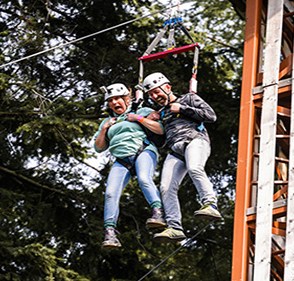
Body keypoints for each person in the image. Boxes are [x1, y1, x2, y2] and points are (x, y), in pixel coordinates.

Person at [142, 72, 222, 243]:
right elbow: (160, 141)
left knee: (195, 168)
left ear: (167, 87)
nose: (156, 97)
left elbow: (211, 116)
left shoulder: (188, 98)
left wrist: (183, 109)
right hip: (175, 149)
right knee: (166, 186)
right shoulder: (162, 113)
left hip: (195, 140)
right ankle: (174, 227)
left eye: (157, 92)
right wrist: (149, 122)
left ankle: (211, 204)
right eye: (152, 95)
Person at [94, 83, 166, 249]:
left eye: (118, 98)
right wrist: (104, 129)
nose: (114, 102)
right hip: (121, 160)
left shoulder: (140, 111)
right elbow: (99, 147)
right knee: (111, 193)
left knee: (144, 178)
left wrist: (140, 118)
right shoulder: (108, 121)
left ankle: (158, 213)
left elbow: (160, 129)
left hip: (143, 150)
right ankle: (110, 232)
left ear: (127, 99)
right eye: (111, 100)